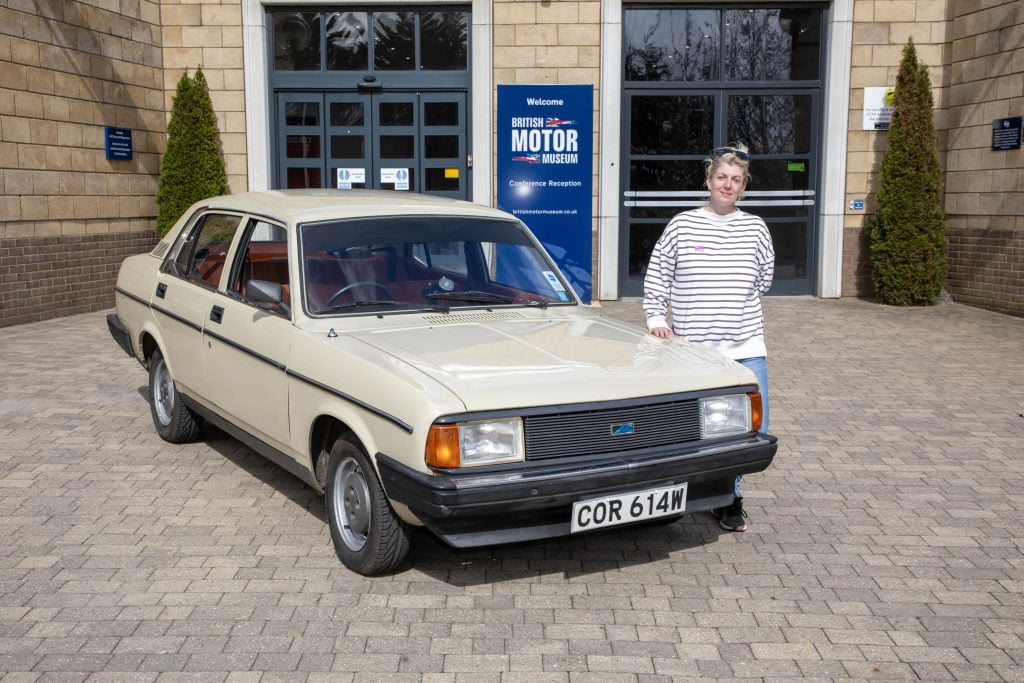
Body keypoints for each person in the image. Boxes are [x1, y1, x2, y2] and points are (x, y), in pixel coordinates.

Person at [642, 143, 774, 532]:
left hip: (745, 347)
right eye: (721, 177)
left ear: (744, 186)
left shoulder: (755, 228)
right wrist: (655, 317)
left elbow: (763, 279)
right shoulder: (682, 224)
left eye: (736, 180)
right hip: (694, 351)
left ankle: (731, 498)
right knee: (691, 428)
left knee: (751, 430)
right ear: (708, 181)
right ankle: (687, 493)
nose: (727, 185)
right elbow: (658, 274)